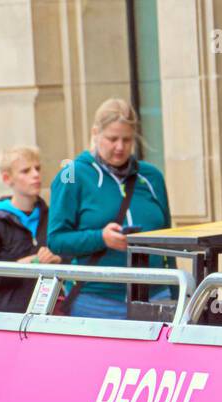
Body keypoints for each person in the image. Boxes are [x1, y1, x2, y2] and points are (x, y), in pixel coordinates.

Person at [47, 99, 172, 319]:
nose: (120, 147)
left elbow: (169, 241)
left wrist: (178, 293)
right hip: (96, 300)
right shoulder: (72, 175)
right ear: (96, 134)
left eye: (127, 139)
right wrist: (101, 238)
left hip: (156, 295)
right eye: (112, 139)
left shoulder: (151, 176)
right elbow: (56, 240)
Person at [0, 145, 60, 312]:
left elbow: (70, 256)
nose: (35, 175)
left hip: (50, 313)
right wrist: (22, 265)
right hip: (9, 318)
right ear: (7, 179)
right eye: (25, 171)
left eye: (37, 168)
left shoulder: (51, 216)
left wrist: (57, 259)